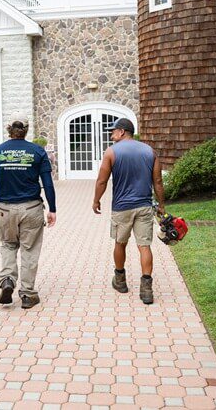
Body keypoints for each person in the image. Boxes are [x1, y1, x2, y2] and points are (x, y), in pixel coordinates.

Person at [0, 111, 56, 309]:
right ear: (26, 130)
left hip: (5, 210)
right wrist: (52, 209)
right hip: (32, 208)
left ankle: (7, 281)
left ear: (8, 129)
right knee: (29, 249)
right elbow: (48, 183)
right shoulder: (38, 152)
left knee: (8, 245)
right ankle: (28, 294)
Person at [92, 118, 165, 304]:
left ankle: (120, 281)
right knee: (144, 246)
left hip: (122, 207)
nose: (111, 134)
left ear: (122, 131)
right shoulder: (150, 151)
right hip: (144, 206)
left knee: (120, 243)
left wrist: (96, 200)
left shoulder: (111, 152)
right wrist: (162, 205)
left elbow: (102, 181)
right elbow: (158, 181)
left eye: (113, 131)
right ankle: (147, 289)